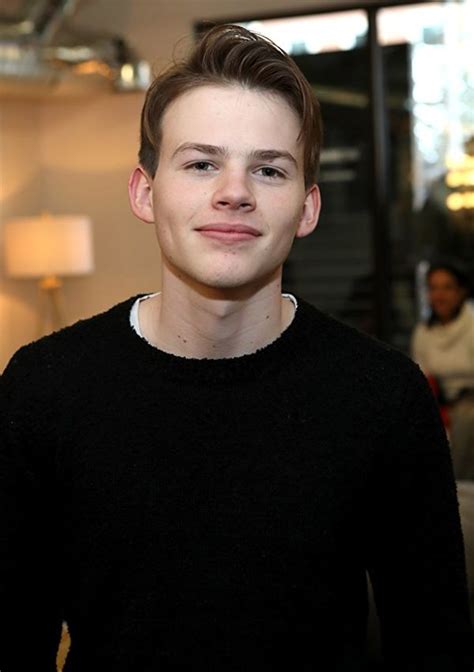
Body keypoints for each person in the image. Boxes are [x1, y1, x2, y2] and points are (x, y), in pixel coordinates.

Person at [1, 24, 472, 672]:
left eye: (268, 169)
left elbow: (434, 653)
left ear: (307, 208)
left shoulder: (383, 399)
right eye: (201, 163)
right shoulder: (45, 389)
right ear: (145, 191)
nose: (234, 191)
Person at [411, 261, 474, 479]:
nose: (439, 295)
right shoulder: (423, 332)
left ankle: (458, 484)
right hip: (440, 402)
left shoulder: (472, 325)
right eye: (434, 288)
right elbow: (422, 379)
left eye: (447, 288)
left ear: (461, 292)